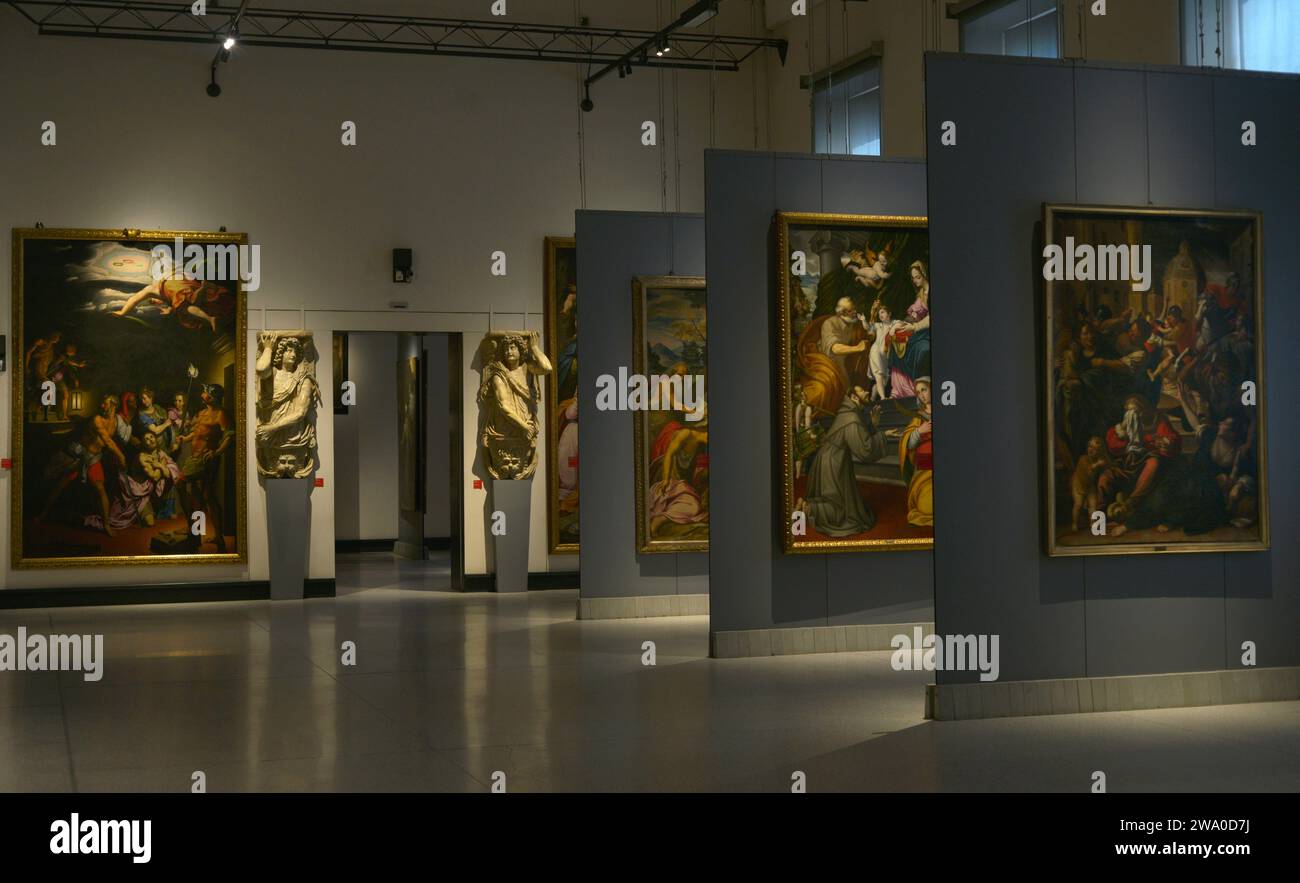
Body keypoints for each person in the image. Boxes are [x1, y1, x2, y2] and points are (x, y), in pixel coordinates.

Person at [795, 386, 888, 537]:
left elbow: (858, 436)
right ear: (854, 397)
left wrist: (872, 425)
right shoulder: (851, 418)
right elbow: (865, 449)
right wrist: (882, 436)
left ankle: (806, 505)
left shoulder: (846, 413)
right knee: (840, 509)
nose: (866, 392)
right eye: (862, 390)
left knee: (833, 498)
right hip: (834, 463)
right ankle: (810, 508)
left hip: (826, 458)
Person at [35, 394, 127, 535]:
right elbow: (108, 441)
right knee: (61, 485)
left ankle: (106, 525)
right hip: (78, 456)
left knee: (100, 489)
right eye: (102, 403)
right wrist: (120, 456)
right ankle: (42, 514)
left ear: (114, 405)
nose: (102, 406)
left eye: (106, 403)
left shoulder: (116, 421)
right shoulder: (97, 420)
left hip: (93, 459)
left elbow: (118, 439)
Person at [255, 335, 321, 477]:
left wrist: (272, 428)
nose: (293, 354)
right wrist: (267, 348)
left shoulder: (303, 379)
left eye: (295, 352)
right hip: (271, 437)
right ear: (280, 353)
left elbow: (300, 412)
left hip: (292, 434)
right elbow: (260, 369)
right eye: (288, 351)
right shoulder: (272, 373)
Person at [179, 384, 234, 552]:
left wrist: (216, 452)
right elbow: (197, 433)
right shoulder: (202, 413)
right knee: (204, 497)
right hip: (193, 459)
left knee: (180, 483)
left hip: (205, 460)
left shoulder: (221, 414)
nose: (202, 394)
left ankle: (194, 529)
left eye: (206, 392)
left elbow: (229, 436)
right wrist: (185, 438)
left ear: (212, 396)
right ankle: (204, 533)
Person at [887, 261, 932, 399]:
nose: (916, 280)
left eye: (918, 277)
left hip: (927, 330)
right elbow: (913, 316)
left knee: (922, 348)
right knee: (896, 342)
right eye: (913, 278)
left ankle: (919, 389)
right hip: (917, 329)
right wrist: (898, 325)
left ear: (924, 274)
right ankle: (900, 390)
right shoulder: (920, 293)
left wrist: (914, 327)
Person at [898, 377, 934, 527]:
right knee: (926, 507)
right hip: (924, 473)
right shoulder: (918, 417)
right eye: (918, 392)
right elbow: (908, 443)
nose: (922, 395)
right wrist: (919, 431)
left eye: (924, 390)